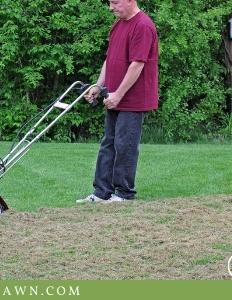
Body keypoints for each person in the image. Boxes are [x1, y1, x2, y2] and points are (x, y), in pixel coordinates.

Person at [77, 0, 159, 203]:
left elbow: (137, 65)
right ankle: (101, 192)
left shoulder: (143, 25)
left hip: (132, 98)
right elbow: (110, 58)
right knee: (108, 143)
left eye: (115, 2)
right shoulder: (118, 24)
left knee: (125, 144)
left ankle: (123, 193)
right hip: (113, 96)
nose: (111, 7)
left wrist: (118, 95)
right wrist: (98, 86)